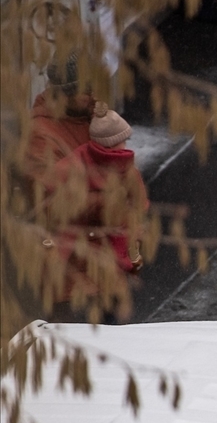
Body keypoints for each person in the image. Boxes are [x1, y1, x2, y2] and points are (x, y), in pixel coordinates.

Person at [45, 102, 146, 320]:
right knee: (103, 335)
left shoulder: (71, 166)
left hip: (80, 268)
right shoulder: (123, 171)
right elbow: (138, 209)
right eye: (123, 140)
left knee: (79, 334)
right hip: (97, 266)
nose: (126, 144)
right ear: (113, 142)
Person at [25, 52, 95, 188]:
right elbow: (50, 195)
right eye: (85, 88)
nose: (92, 93)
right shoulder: (41, 134)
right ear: (64, 94)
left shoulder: (90, 114)